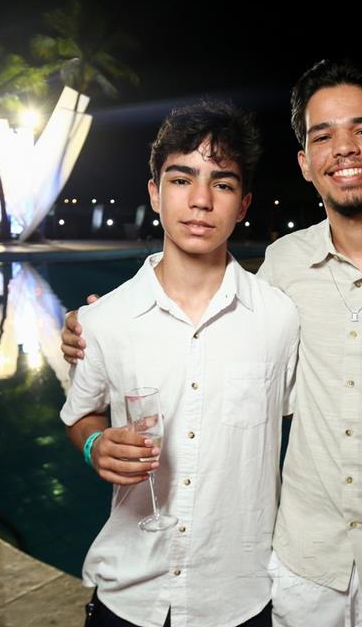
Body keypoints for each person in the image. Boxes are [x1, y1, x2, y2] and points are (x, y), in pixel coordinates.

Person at [63, 60, 362, 626]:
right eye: (323, 136)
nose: (345, 148)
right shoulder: (282, 268)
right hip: (305, 575)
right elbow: (181, 331)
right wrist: (94, 327)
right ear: (305, 163)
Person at [60, 101, 299, 627]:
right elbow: (81, 415)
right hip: (129, 595)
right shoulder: (104, 320)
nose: (200, 200)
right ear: (154, 193)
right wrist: (96, 445)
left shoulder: (280, 319)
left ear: (243, 203)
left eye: (222, 183)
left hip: (239, 599)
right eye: (181, 179)